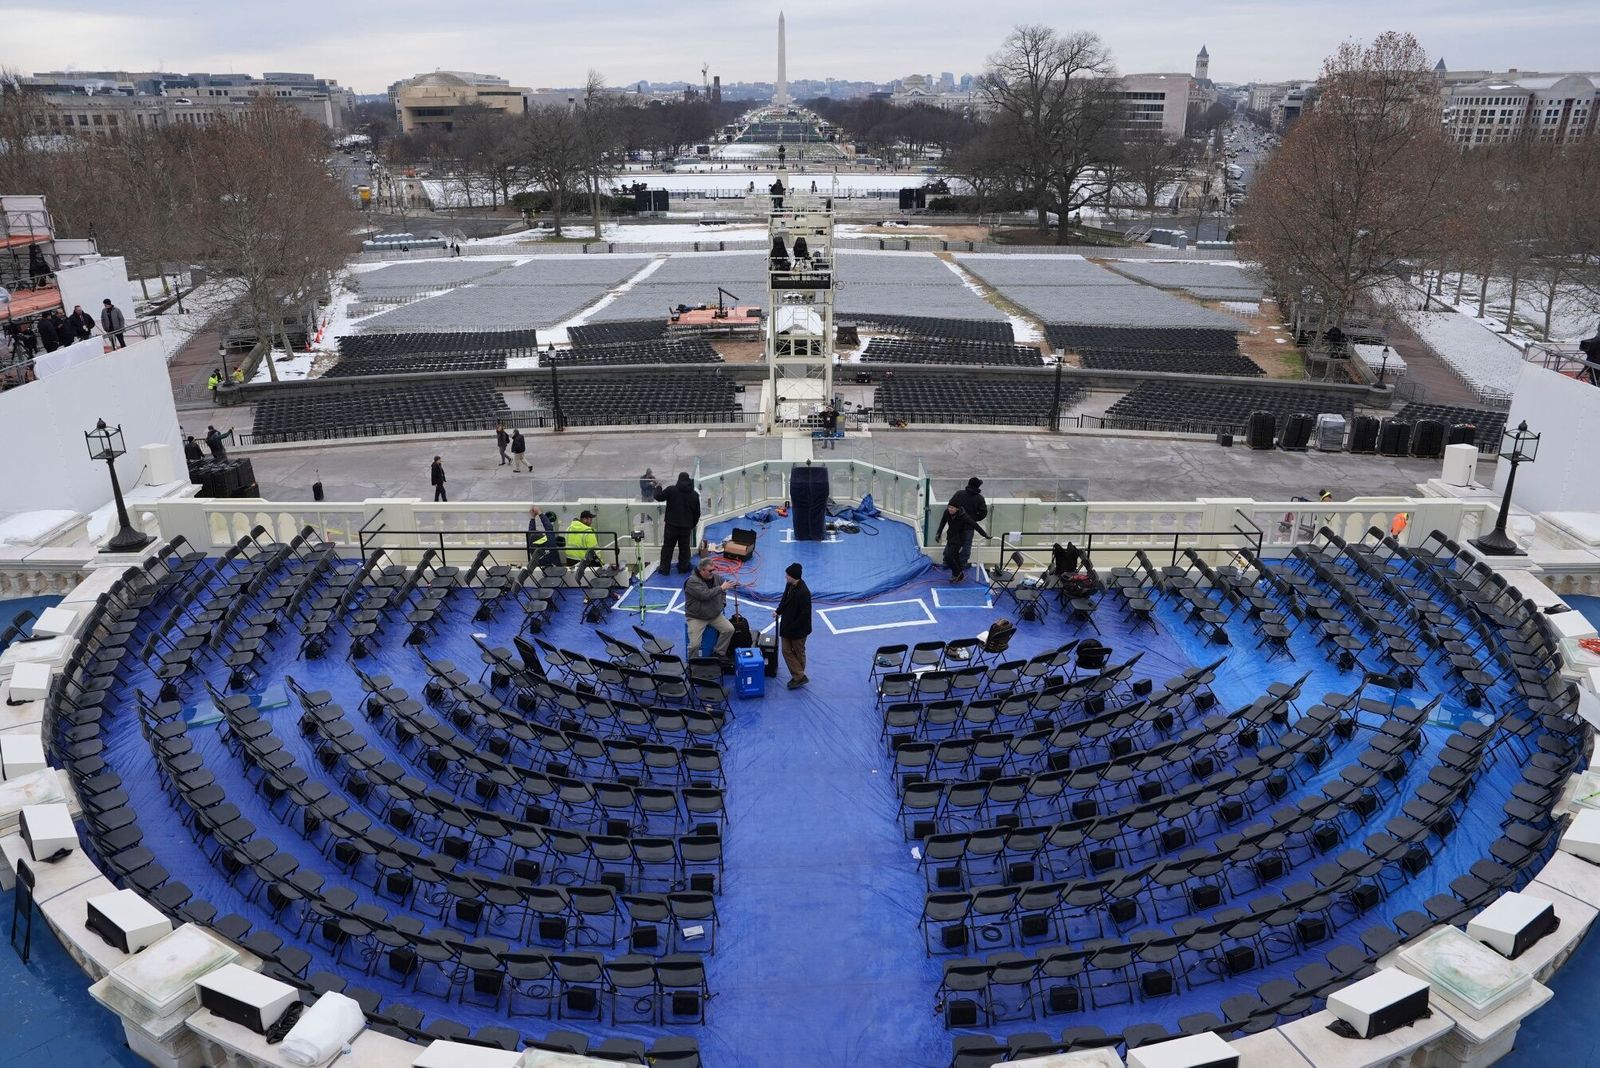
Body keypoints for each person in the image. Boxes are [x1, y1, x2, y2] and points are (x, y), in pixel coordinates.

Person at [934, 477, 989, 582]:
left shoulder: (959, 494)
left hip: (955, 528)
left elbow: (950, 505)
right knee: (966, 547)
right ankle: (961, 566)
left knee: (950, 545)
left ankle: (947, 563)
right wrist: (974, 519)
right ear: (978, 486)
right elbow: (983, 513)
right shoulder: (979, 498)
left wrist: (939, 532)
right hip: (968, 526)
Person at [684, 556, 736, 659]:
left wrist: (723, 603)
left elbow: (723, 591)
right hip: (697, 617)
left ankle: (718, 652)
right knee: (694, 645)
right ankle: (692, 662)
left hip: (714, 615)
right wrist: (721, 588)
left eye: (713, 570)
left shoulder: (716, 578)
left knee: (729, 629)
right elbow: (704, 595)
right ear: (701, 570)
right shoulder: (692, 582)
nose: (712, 572)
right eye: (710, 571)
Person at [774, 562, 813, 689]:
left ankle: (798, 677)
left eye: (787, 575)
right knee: (786, 650)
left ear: (794, 576)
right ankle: (800, 676)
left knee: (798, 652)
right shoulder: (789, 584)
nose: (785, 577)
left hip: (798, 630)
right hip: (787, 625)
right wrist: (778, 611)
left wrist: (792, 627)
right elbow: (784, 600)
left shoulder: (804, 592)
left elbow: (804, 615)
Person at [655, 471, 702, 575]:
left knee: (667, 548)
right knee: (684, 548)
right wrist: (691, 525)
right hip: (686, 527)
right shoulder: (694, 495)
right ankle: (683, 568)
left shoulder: (671, 490)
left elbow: (659, 497)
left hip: (671, 526)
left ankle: (664, 569)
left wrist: (658, 487)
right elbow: (697, 513)